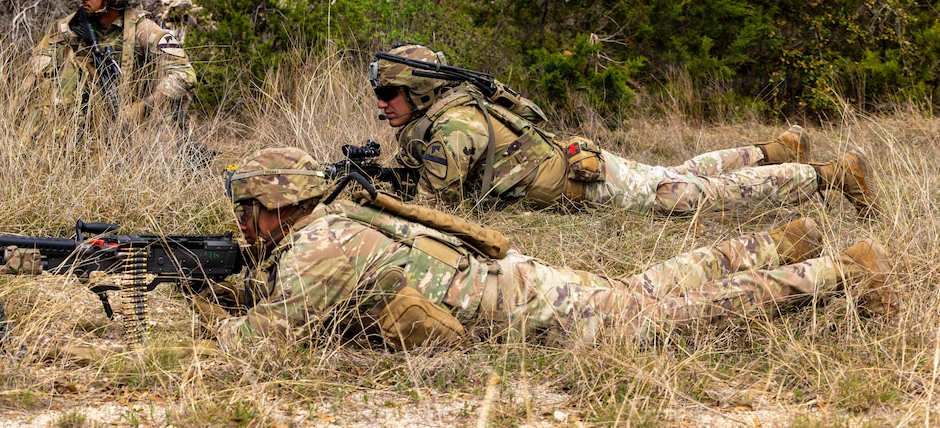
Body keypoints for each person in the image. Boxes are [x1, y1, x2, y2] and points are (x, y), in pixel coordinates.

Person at [194, 147, 894, 351]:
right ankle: (779, 242)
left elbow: (264, 342)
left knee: (663, 319)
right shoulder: (339, 220)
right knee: (645, 289)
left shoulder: (319, 243)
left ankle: (838, 271)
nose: (246, 223)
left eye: (250, 208)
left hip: (527, 310)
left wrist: (213, 315)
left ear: (281, 205)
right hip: (517, 280)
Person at [369, 45, 877, 219]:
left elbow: (433, 209)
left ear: (419, 92)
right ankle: (776, 149)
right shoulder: (439, 116)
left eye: (388, 94)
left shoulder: (455, 125)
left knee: (691, 197)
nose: (381, 105)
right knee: (676, 174)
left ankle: (829, 176)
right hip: (580, 166)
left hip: (590, 183)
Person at [22, 0, 196, 137]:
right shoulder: (70, 27)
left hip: (125, 130)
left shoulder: (143, 31)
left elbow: (185, 73)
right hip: (68, 125)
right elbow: (38, 64)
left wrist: (145, 106)